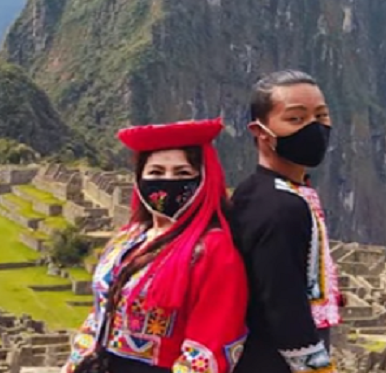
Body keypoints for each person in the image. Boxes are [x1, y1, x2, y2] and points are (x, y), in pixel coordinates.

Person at [62, 118, 249, 373]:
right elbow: (100, 312)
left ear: (203, 179)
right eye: (156, 173)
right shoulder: (128, 237)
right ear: (139, 179)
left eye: (182, 173)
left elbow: (210, 343)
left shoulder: (212, 251)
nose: (167, 181)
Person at [231, 70, 343, 373]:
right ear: (260, 131)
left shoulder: (260, 191)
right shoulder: (280, 207)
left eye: (321, 116)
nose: (314, 127)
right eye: (296, 119)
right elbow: (283, 306)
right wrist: (318, 368)